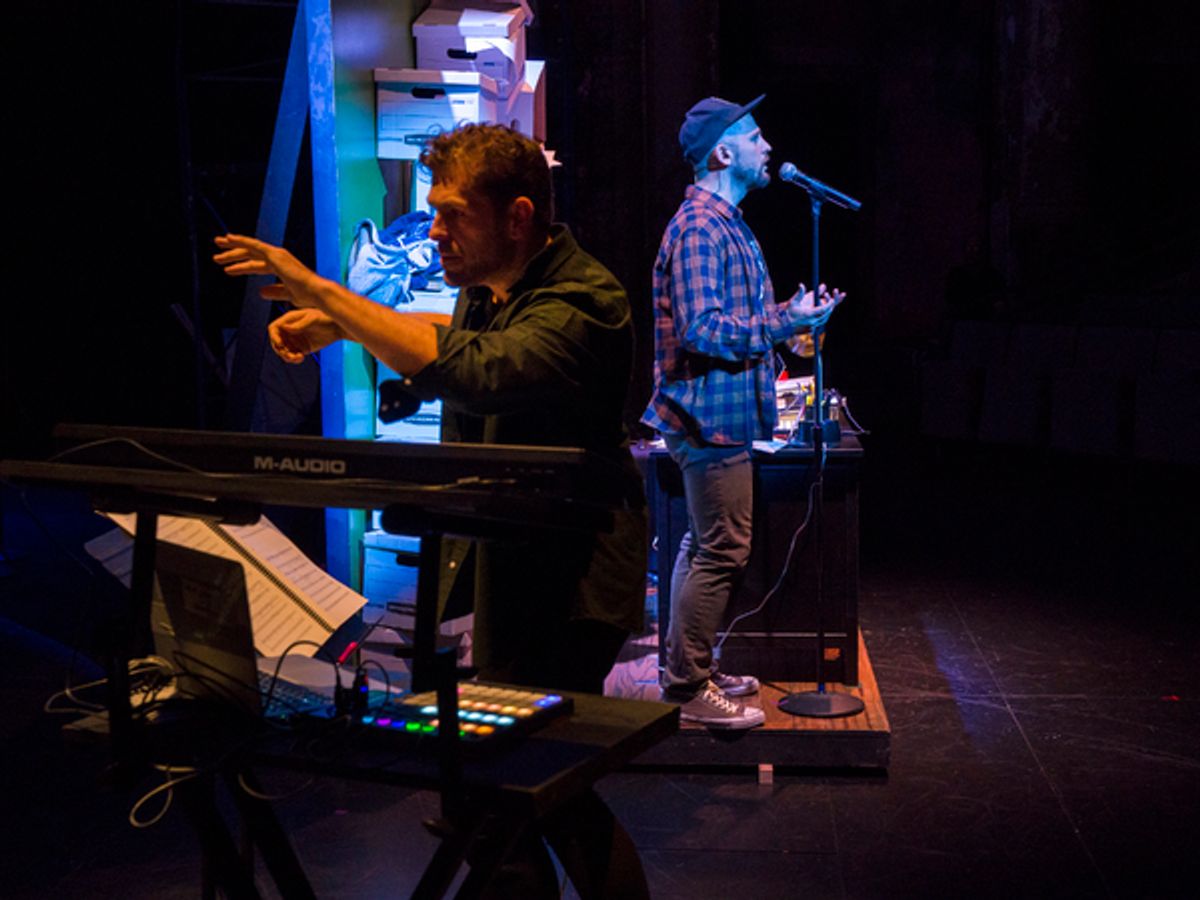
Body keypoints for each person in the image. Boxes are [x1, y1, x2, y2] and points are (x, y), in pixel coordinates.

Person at [215, 123, 648, 899]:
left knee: (521, 781)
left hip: (571, 579)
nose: (435, 228)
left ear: (518, 216)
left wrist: (329, 296)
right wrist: (346, 324)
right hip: (515, 562)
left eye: (453, 213)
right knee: (512, 787)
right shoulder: (494, 291)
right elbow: (450, 331)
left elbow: (482, 368)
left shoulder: (589, 298)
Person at [642, 95, 844, 730]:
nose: (768, 147)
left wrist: (794, 316)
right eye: (756, 137)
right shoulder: (701, 226)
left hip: (720, 412)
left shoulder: (725, 222)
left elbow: (730, 320)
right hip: (707, 417)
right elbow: (703, 329)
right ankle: (687, 685)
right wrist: (784, 319)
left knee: (704, 542)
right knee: (723, 547)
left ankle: (688, 664)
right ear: (723, 153)